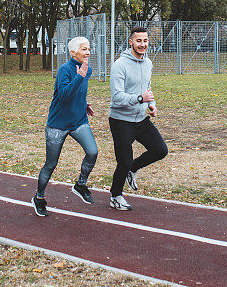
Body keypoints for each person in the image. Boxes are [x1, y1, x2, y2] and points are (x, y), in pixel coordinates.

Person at [32, 36, 98, 217]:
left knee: (92, 152)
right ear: (73, 52)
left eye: (89, 48)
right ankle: (39, 198)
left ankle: (80, 185)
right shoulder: (65, 70)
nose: (88, 52)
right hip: (58, 125)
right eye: (84, 49)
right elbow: (64, 95)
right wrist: (79, 76)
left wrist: (84, 104)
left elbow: (78, 92)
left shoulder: (87, 70)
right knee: (51, 164)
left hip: (78, 121)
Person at [108, 26, 168, 210]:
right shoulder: (120, 65)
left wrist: (152, 104)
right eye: (138, 41)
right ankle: (115, 196)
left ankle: (132, 169)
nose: (142, 44)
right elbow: (117, 97)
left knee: (160, 149)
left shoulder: (148, 63)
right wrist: (140, 99)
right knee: (123, 161)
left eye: (145, 41)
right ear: (131, 42)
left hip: (141, 119)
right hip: (121, 120)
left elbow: (147, 89)